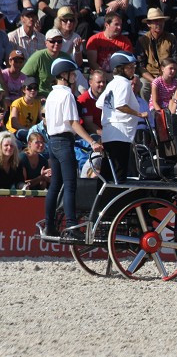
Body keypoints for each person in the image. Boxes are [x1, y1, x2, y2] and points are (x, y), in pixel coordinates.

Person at [43, 57, 103, 238]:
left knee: (55, 186)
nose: (75, 76)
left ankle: (49, 224)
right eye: (72, 73)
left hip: (52, 141)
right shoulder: (67, 95)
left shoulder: (52, 94)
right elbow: (73, 123)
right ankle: (71, 226)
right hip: (63, 141)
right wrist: (92, 142)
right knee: (70, 185)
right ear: (63, 75)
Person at [95, 52, 146, 182]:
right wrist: (139, 114)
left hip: (109, 132)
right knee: (118, 174)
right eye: (130, 67)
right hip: (121, 134)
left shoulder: (112, 83)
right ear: (121, 69)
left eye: (134, 66)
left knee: (107, 172)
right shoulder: (124, 83)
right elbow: (120, 105)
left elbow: (99, 103)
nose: (133, 70)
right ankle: (116, 201)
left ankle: (102, 200)